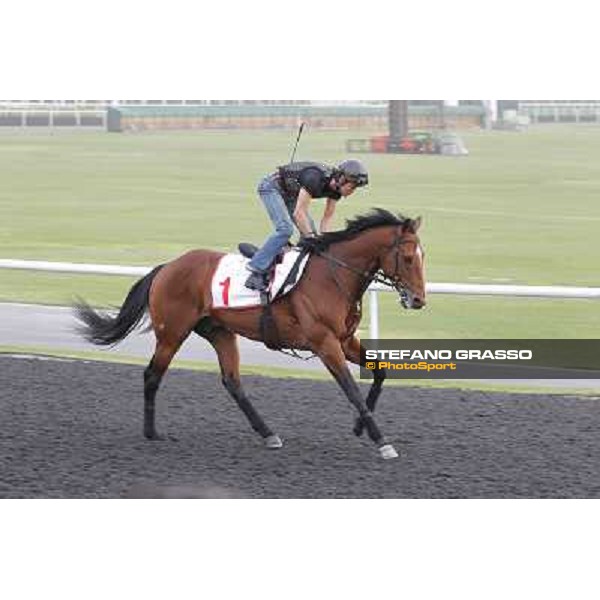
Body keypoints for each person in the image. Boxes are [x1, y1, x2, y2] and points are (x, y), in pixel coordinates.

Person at [245, 159, 369, 291]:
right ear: (342, 179)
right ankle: (257, 266)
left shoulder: (336, 190)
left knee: (312, 234)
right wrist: (311, 238)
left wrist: (324, 241)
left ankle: (292, 265)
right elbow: (299, 213)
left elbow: (327, 218)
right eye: (353, 186)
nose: (352, 191)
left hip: (291, 194)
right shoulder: (314, 178)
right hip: (271, 187)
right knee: (285, 229)